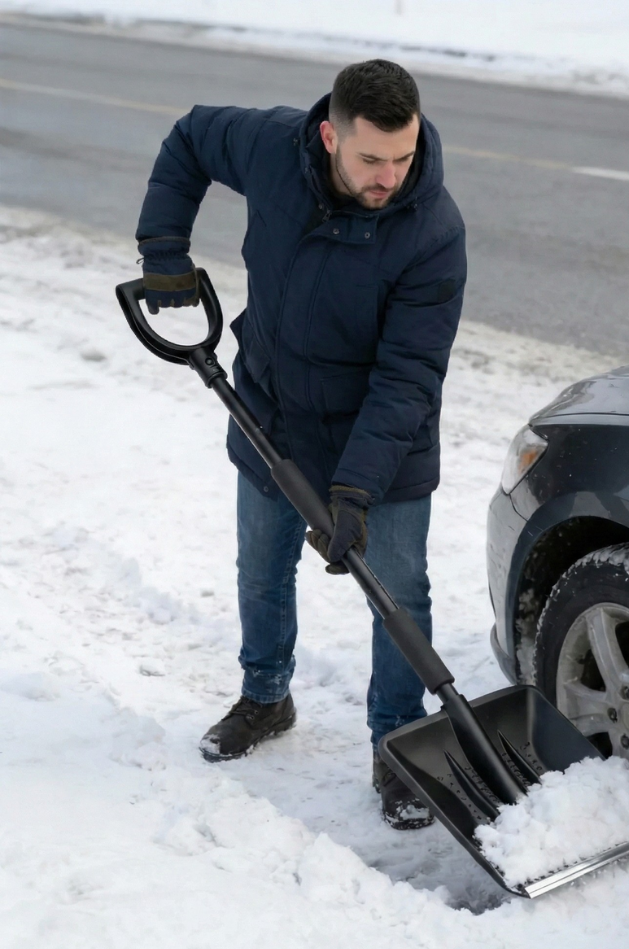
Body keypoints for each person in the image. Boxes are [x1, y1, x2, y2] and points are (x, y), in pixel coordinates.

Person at [134, 59, 466, 829]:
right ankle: (265, 696)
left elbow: (408, 376)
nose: (390, 177)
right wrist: (162, 251)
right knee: (262, 564)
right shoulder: (274, 149)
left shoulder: (432, 232)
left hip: (381, 441)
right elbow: (189, 138)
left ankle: (398, 744)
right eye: (370, 159)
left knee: (398, 597)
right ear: (328, 136)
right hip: (271, 412)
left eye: (403, 157)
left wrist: (355, 489)